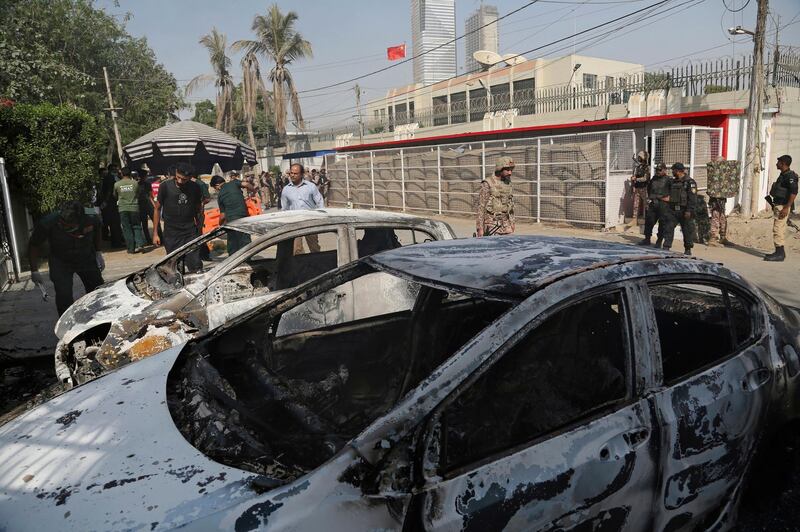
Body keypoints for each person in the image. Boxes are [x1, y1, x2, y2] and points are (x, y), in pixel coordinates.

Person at [28, 200, 105, 316]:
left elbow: (98, 229)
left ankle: (100, 316)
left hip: (85, 258)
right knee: (64, 295)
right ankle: (67, 326)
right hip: (60, 261)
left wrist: (98, 252)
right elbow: (33, 245)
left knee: (97, 288)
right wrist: (34, 270)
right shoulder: (48, 222)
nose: (66, 226)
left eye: (70, 224)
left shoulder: (91, 217)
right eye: (64, 223)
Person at [152, 162, 204, 271]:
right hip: (171, 231)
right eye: (178, 177)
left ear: (190, 177)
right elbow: (157, 209)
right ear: (176, 173)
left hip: (190, 230)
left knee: (195, 263)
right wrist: (155, 233)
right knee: (174, 265)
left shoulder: (195, 187)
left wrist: (199, 229)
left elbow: (199, 209)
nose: (180, 181)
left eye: (184, 179)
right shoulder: (165, 186)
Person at [281, 163, 324, 253]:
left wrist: (320, 218)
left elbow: (320, 202)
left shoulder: (311, 186)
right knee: (297, 249)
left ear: (301, 174)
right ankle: (300, 266)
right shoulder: (286, 190)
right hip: (295, 223)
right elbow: (284, 208)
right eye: (291, 173)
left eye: (295, 173)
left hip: (310, 221)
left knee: (314, 247)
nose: (292, 175)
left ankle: (317, 265)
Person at [765, 154, 798, 262]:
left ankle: (779, 253)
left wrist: (786, 207)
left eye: (778, 162)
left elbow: (794, 192)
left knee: (778, 228)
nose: (776, 164)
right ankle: (779, 252)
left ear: (783, 163)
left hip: (783, 206)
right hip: (778, 205)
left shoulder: (790, 176)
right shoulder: (783, 175)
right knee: (779, 228)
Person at [210, 175, 253, 255]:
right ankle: (247, 258)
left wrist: (220, 224)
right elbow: (247, 185)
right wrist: (253, 192)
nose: (216, 190)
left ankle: (233, 260)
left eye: (215, 188)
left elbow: (223, 215)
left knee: (233, 241)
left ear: (217, 185)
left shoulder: (220, 196)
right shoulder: (234, 183)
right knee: (244, 239)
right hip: (243, 216)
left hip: (231, 220)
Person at [661, 162, 697, 256]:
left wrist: (689, 210)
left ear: (678, 171)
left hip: (684, 210)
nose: (672, 172)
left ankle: (688, 248)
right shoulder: (673, 182)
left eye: (673, 170)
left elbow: (692, 198)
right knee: (668, 227)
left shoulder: (690, 182)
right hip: (673, 210)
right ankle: (666, 246)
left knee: (687, 230)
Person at [476, 156, 515, 237]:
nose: (510, 173)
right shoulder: (487, 183)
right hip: (492, 225)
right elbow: (481, 207)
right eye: (507, 170)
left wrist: (512, 222)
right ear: (500, 169)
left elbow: (510, 204)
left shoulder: (508, 183)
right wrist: (480, 228)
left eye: (511, 170)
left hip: (506, 225)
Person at [114, 167, 146, 254]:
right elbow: (138, 193)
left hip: (123, 208)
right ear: (130, 174)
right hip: (134, 208)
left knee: (126, 228)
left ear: (121, 174)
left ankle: (131, 248)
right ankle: (140, 245)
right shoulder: (135, 183)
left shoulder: (117, 184)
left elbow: (115, 195)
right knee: (136, 226)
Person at [639, 163, 670, 247]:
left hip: (663, 204)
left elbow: (672, 193)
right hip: (653, 203)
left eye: (660, 170)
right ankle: (647, 239)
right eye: (657, 170)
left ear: (664, 170)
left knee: (662, 223)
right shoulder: (654, 179)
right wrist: (650, 199)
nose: (658, 172)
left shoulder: (668, 180)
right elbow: (649, 189)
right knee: (649, 221)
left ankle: (659, 241)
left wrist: (667, 200)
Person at [99, 164, 124, 248]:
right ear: (111, 170)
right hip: (111, 204)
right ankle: (117, 243)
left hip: (110, 203)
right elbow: (110, 190)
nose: (116, 170)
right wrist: (106, 201)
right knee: (115, 224)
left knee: (114, 224)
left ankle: (117, 241)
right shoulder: (110, 178)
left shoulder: (111, 177)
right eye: (115, 169)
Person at [630, 150, 650, 226]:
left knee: (646, 204)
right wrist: (633, 182)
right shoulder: (637, 167)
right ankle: (634, 219)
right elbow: (634, 175)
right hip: (637, 187)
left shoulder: (647, 168)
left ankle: (647, 219)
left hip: (644, 188)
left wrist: (636, 179)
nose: (638, 158)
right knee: (635, 204)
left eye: (639, 157)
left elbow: (645, 178)